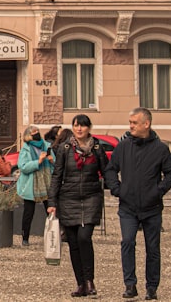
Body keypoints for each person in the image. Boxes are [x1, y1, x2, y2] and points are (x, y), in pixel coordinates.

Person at [104, 107, 171, 301]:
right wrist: (117, 189)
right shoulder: (124, 146)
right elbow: (110, 169)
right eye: (130, 122)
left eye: (134, 122)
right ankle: (130, 284)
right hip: (128, 206)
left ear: (147, 124)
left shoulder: (160, 148)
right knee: (127, 242)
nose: (131, 126)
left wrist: (158, 191)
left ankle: (152, 287)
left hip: (152, 208)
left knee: (153, 248)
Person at [48, 114, 110, 298]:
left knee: (84, 237)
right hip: (68, 198)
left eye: (83, 126)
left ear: (88, 127)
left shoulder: (97, 147)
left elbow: (107, 171)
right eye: (76, 126)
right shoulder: (65, 148)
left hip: (90, 197)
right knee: (73, 242)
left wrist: (119, 189)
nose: (79, 129)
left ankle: (90, 280)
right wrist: (52, 201)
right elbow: (56, 176)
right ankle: (81, 283)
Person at [17, 124, 54, 247]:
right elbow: (23, 166)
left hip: (46, 182)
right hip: (31, 184)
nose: (37, 133)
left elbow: (56, 164)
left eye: (38, 131)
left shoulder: (47, 146)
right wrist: (38, 161)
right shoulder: (26, 148)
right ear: (29, 135)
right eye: (34, 132)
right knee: (28, 212)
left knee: (51, 211)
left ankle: (54, 236)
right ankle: (25, 237)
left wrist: (51, 160)